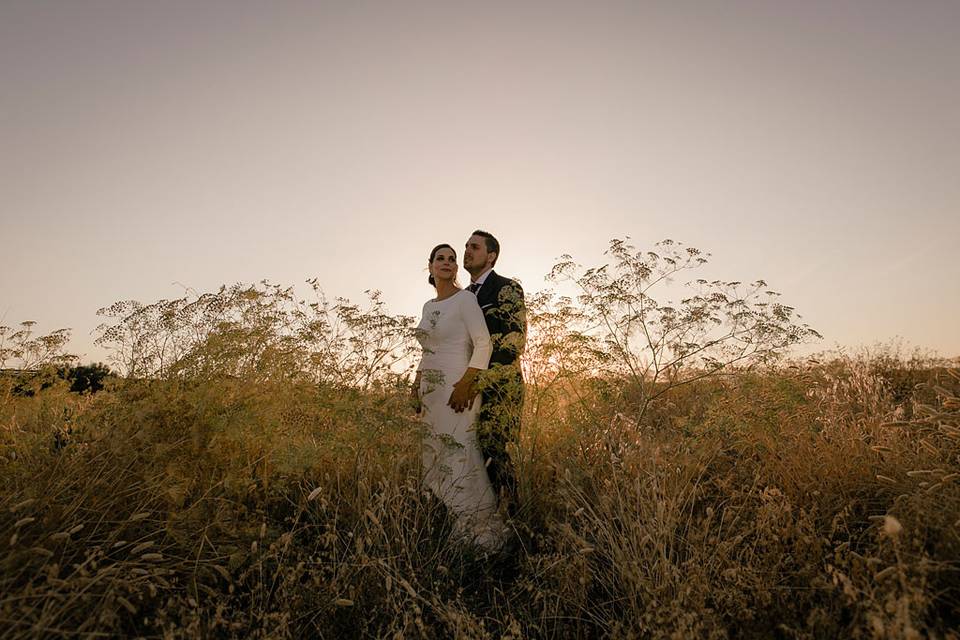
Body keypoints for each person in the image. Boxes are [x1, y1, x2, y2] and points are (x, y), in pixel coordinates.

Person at [411, 243, 507, 548]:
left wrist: (467, 382)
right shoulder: (428, 306)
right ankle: (451, 520)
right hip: (431, 390)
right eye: (441, 258)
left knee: (460, 450)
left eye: (453, 259)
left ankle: (480, 528)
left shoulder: (465, 300)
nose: (448, 262)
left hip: (458, 387)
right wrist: (415, 384)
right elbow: (427, 351)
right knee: (436, 452)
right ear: (430, 266)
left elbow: (483, 343)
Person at [457, 230, 526, 515]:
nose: (467, 251)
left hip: (500, 389)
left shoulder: (507, 288)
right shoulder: (461, 298)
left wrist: (478, 380)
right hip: (465, 391)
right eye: (466, 246)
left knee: (497, 455)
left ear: (491, 256)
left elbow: (514, 341)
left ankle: (514, 524)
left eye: (474, 247)